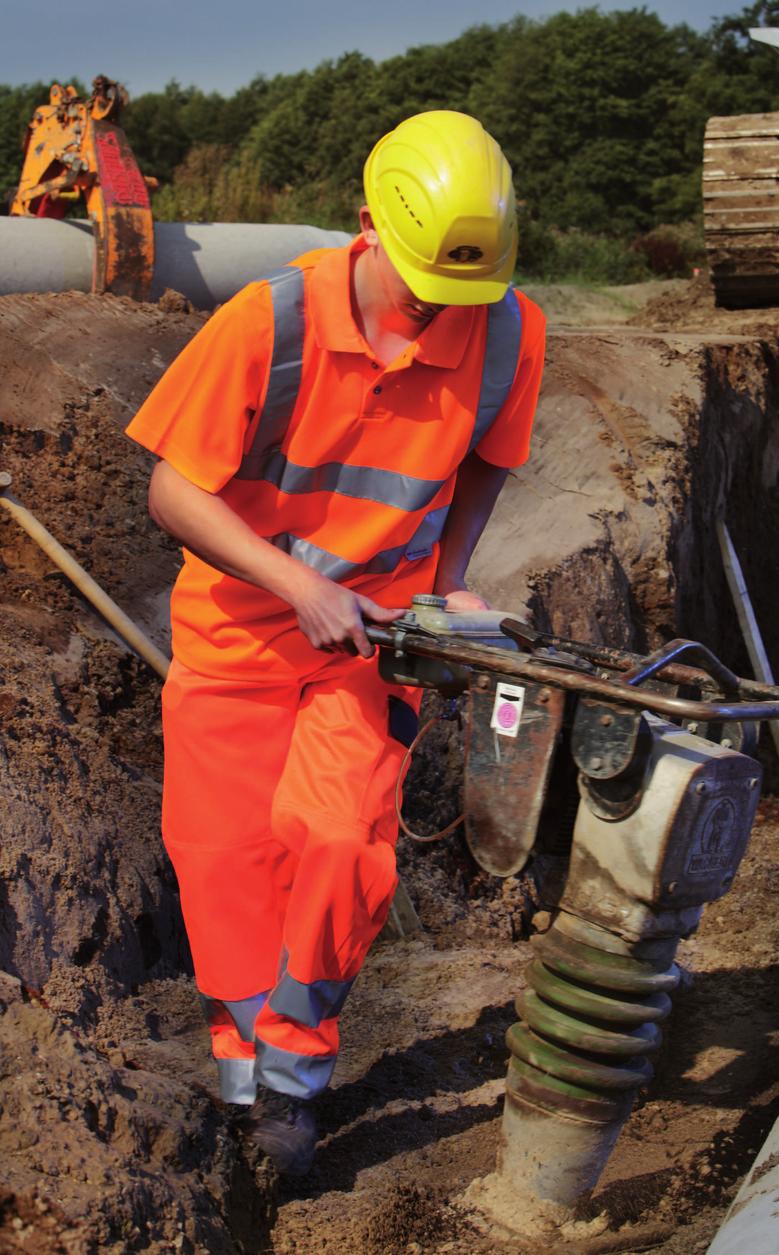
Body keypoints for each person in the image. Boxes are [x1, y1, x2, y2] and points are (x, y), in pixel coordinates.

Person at [125, 111, 545, 1176]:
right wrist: (292, 579)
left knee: (336, 840)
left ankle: (295, 1080)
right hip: (235, 629)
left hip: (375, 638)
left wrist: (447, 579)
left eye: (464, 293)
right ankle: (238, 1071)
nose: (441, 315)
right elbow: (171, 487)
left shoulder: (505, 329)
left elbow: (490, 455)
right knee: (224, 859)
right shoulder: (272, 322)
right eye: (422, 291)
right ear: (367, 227)